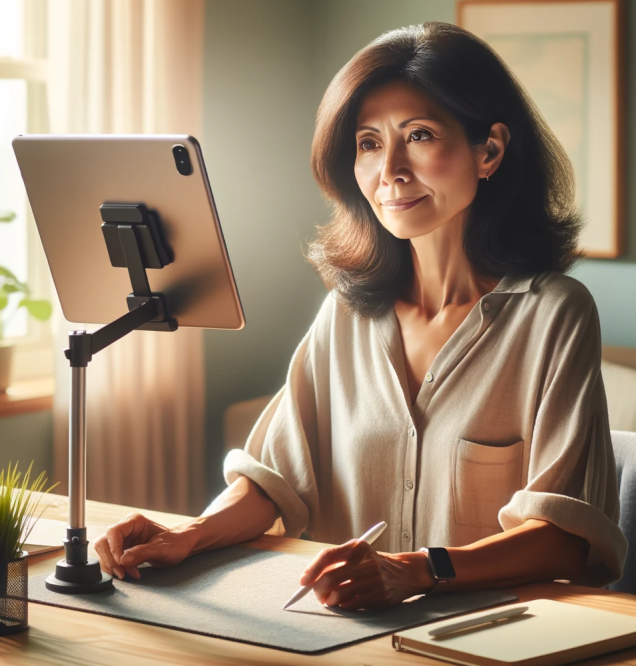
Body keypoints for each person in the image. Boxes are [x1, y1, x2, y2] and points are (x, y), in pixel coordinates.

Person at [95, 22, 627, 610]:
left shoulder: (554, 315)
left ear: (490, 151)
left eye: (419, 135)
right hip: (344, 636)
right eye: (369, 143)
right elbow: (272, 480)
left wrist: (417, 571)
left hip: (493, 640)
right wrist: (186, 534)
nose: (390, 170)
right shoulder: (346, 313)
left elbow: (565, 539)